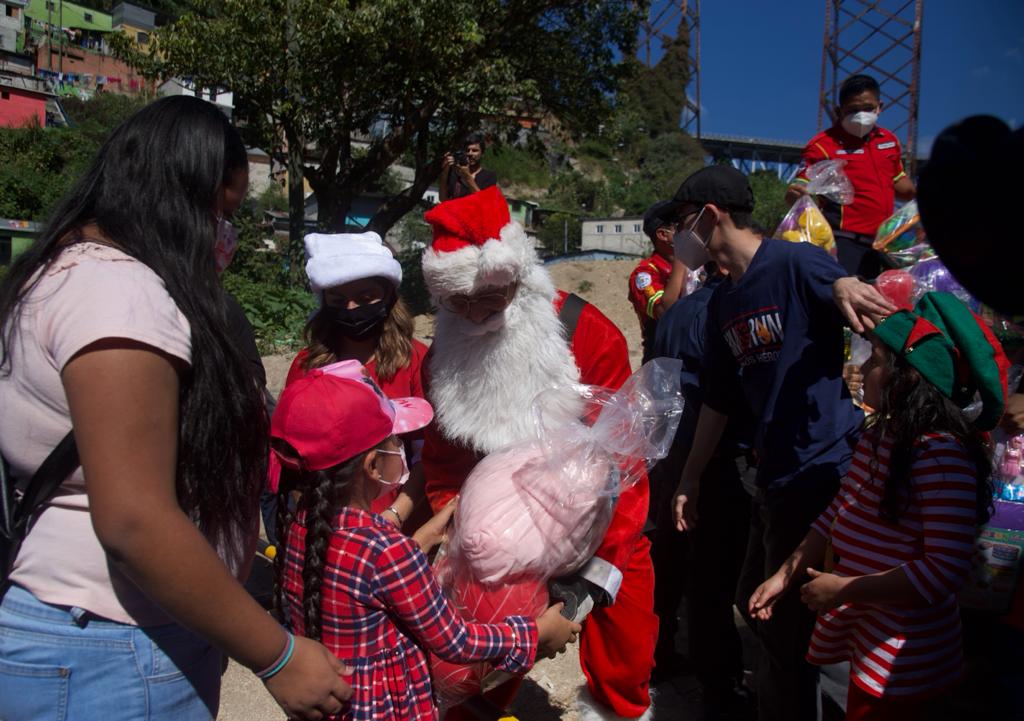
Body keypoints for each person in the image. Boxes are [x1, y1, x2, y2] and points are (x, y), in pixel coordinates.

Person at [0, 96, 349, 720]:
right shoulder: (121, 296)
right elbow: (135, 520)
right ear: (178, 197)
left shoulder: (59, 274)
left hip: (96, 635)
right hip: (115, 647)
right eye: (224, 212)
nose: (226, 235)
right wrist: (277, 655)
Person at [420, 186, 658, 720]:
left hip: (595, 515)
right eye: (460, 304)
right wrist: (465, 534)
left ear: (518, 280)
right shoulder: (443, 354)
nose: (476, 315)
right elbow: (444, 459)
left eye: (490, 299)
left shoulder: (585, 333)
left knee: (626, 634)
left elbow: (625, 460)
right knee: (472, 663)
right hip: (495, 531)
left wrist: (593, 572)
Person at [669, 165, 896, 721]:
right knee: (760, 601)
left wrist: (843, 284)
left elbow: (837, 284)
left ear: (710, 216)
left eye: (683, 223)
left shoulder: (793, 263)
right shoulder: (724, 299)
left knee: (785, 623)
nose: (680, 238)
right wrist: (690, 477)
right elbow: (720, 400)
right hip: (772, 475)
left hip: (822, 469)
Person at [271, 359, 580, 721]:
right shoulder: (387, 552)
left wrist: (421, 537)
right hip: (390, 708)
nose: (399, 449)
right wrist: (535, 633)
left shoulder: (301, 528)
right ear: (373, 465)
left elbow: (360, 583)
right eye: (395, 441)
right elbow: (455, 640)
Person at [749, 292, 1009, 721]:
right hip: (871, 642)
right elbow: (840, 510)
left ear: (907, 377)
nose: (865, 369)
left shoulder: (941, 455)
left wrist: (848, 589)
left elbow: (945, 569)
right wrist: (784, 574)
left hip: (906, 663)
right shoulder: (880, 438)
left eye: (877, 360)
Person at [649, 263, 755, 717]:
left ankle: (660, 654)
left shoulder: (676, 312)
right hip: (712, 461)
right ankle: (720, 687)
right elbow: (724, 398)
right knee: (713, 579)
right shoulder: (727, 313)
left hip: (670, 452)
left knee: (670, 564)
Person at [281, 231, 429, 533]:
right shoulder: (306, 365)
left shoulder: (416, 360)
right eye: (338, 299)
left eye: (365, 298)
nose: (351, 309)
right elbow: (294, 459)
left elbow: (428, 455)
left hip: (398, 527)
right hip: (326, 526)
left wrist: (393, 517)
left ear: (388, 295)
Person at [787, 74, 917, 279]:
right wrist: (796, 193)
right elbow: (800, 184)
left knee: (891, 304)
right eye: (853, 110)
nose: (861, 115)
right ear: (839, 111)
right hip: (845, 244)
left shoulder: (889, 141)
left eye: (868, 108)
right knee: (846, 305)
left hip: (887, 244)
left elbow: (899, 182)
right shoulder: (822, 145)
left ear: (879, 107)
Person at [628, 200, 689, 362]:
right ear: (663, 235)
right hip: (663, 362)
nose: (689, 229)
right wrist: (682, 257)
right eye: (680, 225)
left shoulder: (698, 263)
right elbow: (663, 311)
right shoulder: (644, 273)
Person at [438, 132, 498, 202]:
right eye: (467, 150)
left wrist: (467, 176)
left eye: (475, 150)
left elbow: (484, 202)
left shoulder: (489, 176)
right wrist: (445, 172)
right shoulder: (454, 173)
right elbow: (443, 199)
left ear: (482, 153)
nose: (470, 153)